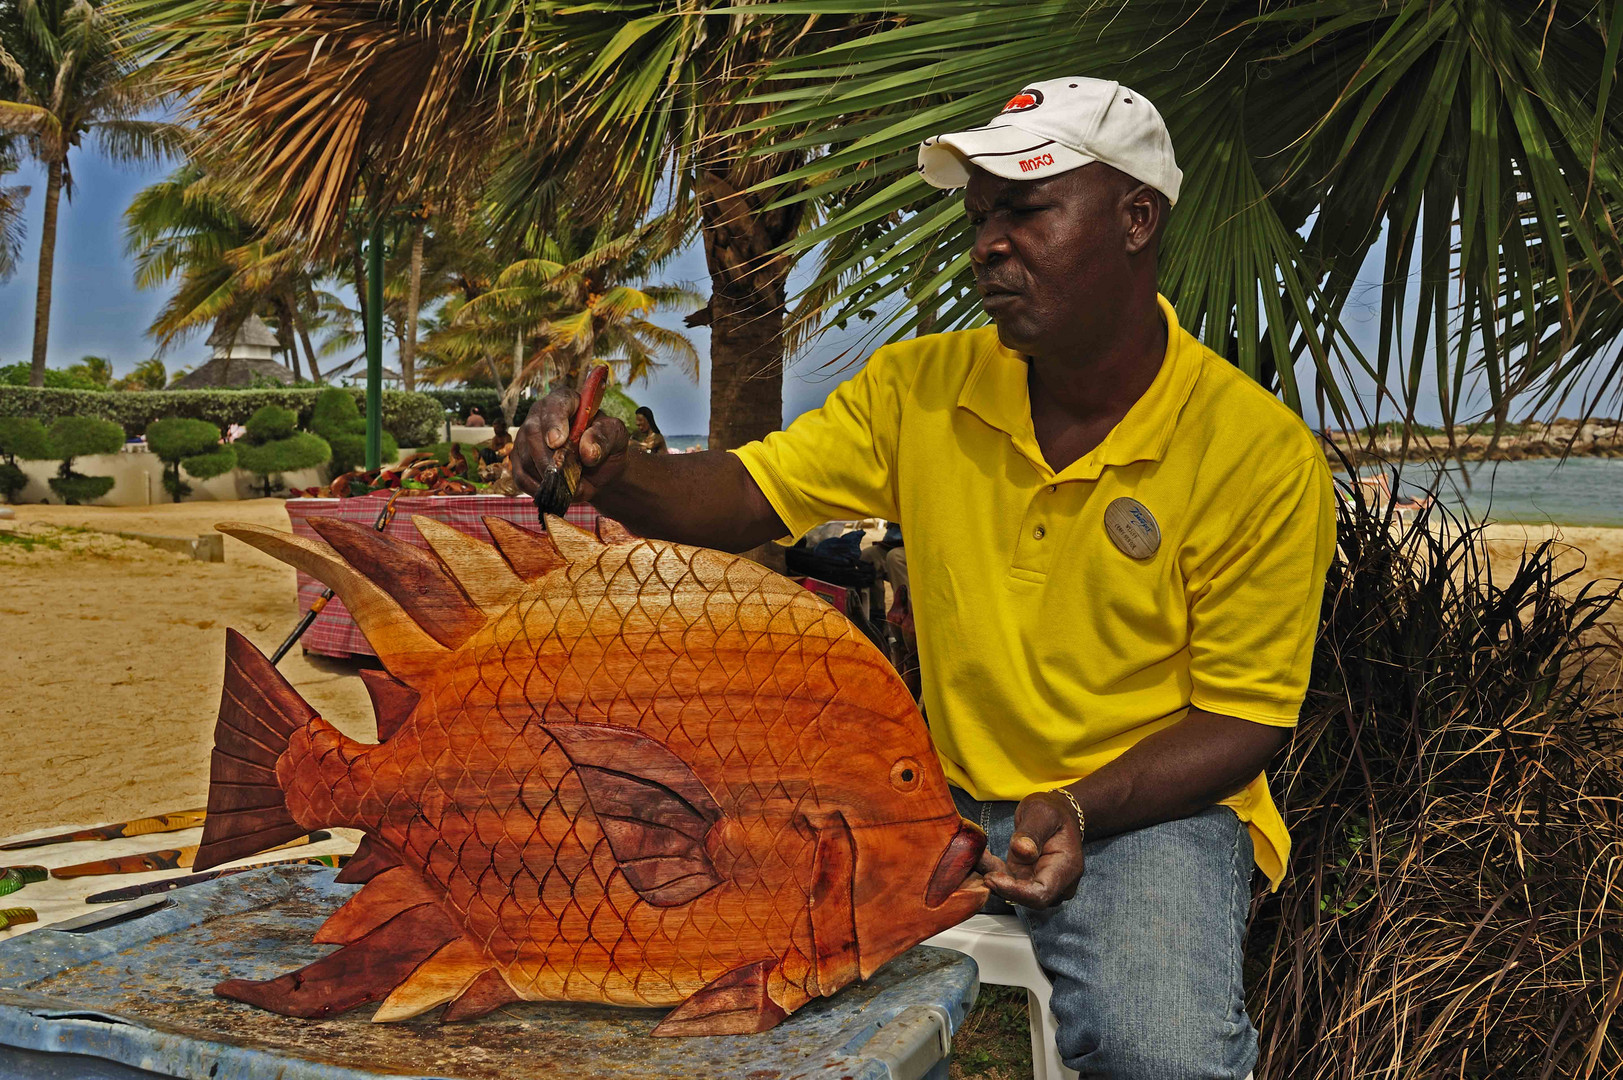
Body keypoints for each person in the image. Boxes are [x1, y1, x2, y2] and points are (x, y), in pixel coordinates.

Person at [514, 77, 1334, 1079]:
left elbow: (1246, 720)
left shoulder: (1256, 452)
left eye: (1026, 207)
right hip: (929, 793)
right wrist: (618, 471)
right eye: (980, 215)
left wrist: (1078, 809)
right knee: (726, 977)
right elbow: (741, 496)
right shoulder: (923, 390)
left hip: (1146, 813)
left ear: (1134, 218)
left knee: (1159, 1054)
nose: (989, 242)